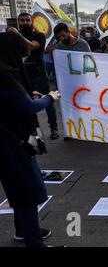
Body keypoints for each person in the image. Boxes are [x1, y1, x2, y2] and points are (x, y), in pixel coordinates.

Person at [0, 32, 61, 247]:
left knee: (18, 188)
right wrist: (48, 98)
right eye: (22, 53)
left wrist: (28, 95)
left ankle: (22, 230)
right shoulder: (5, 75)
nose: (25, 58)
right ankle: (33, 242)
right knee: (27, 190)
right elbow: (27, 107)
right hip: (12, 144)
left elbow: (16, 101)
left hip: (12, 139)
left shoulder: (5, 72)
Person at [8, 13, 59, 140]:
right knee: (29, 104)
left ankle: (54, 129)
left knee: (48, 101)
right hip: (22, 76)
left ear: (32, 22)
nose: (25, 23)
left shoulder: (39, 35)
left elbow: (31, 46)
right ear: (18, 22)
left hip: (39, 75)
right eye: (22, 20)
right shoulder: (13, 37)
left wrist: (16, 35)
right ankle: (35, 131)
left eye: (27, 20)